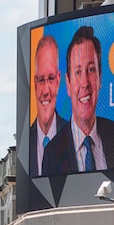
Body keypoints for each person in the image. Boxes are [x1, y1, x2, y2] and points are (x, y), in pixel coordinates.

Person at [42, 25, 114, 174]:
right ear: (68, 84)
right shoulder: (52, 153)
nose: (84, 83)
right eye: (78, 72)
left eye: (91, 70)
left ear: (100, 78)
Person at [30, 34, 67, 176]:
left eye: (50, 79)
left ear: (58, 81)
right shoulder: (26, 143)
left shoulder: (73, 138)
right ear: (34, 83)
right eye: (40, 80)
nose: (45, 91)